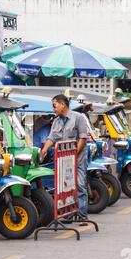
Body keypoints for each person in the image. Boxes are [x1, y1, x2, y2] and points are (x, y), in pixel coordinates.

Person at [41, 94, 89, 222]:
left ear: (63, 104)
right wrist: (45, 149)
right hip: (63, 161)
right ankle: (67, 214)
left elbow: (83, 139)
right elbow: (51, 138)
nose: (53, 109)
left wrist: (73, 154)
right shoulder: (56, 121)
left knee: (80, 186)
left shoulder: (79, 118)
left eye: (54, 105)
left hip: (78, 160)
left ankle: (82, 216)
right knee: (64, 187)